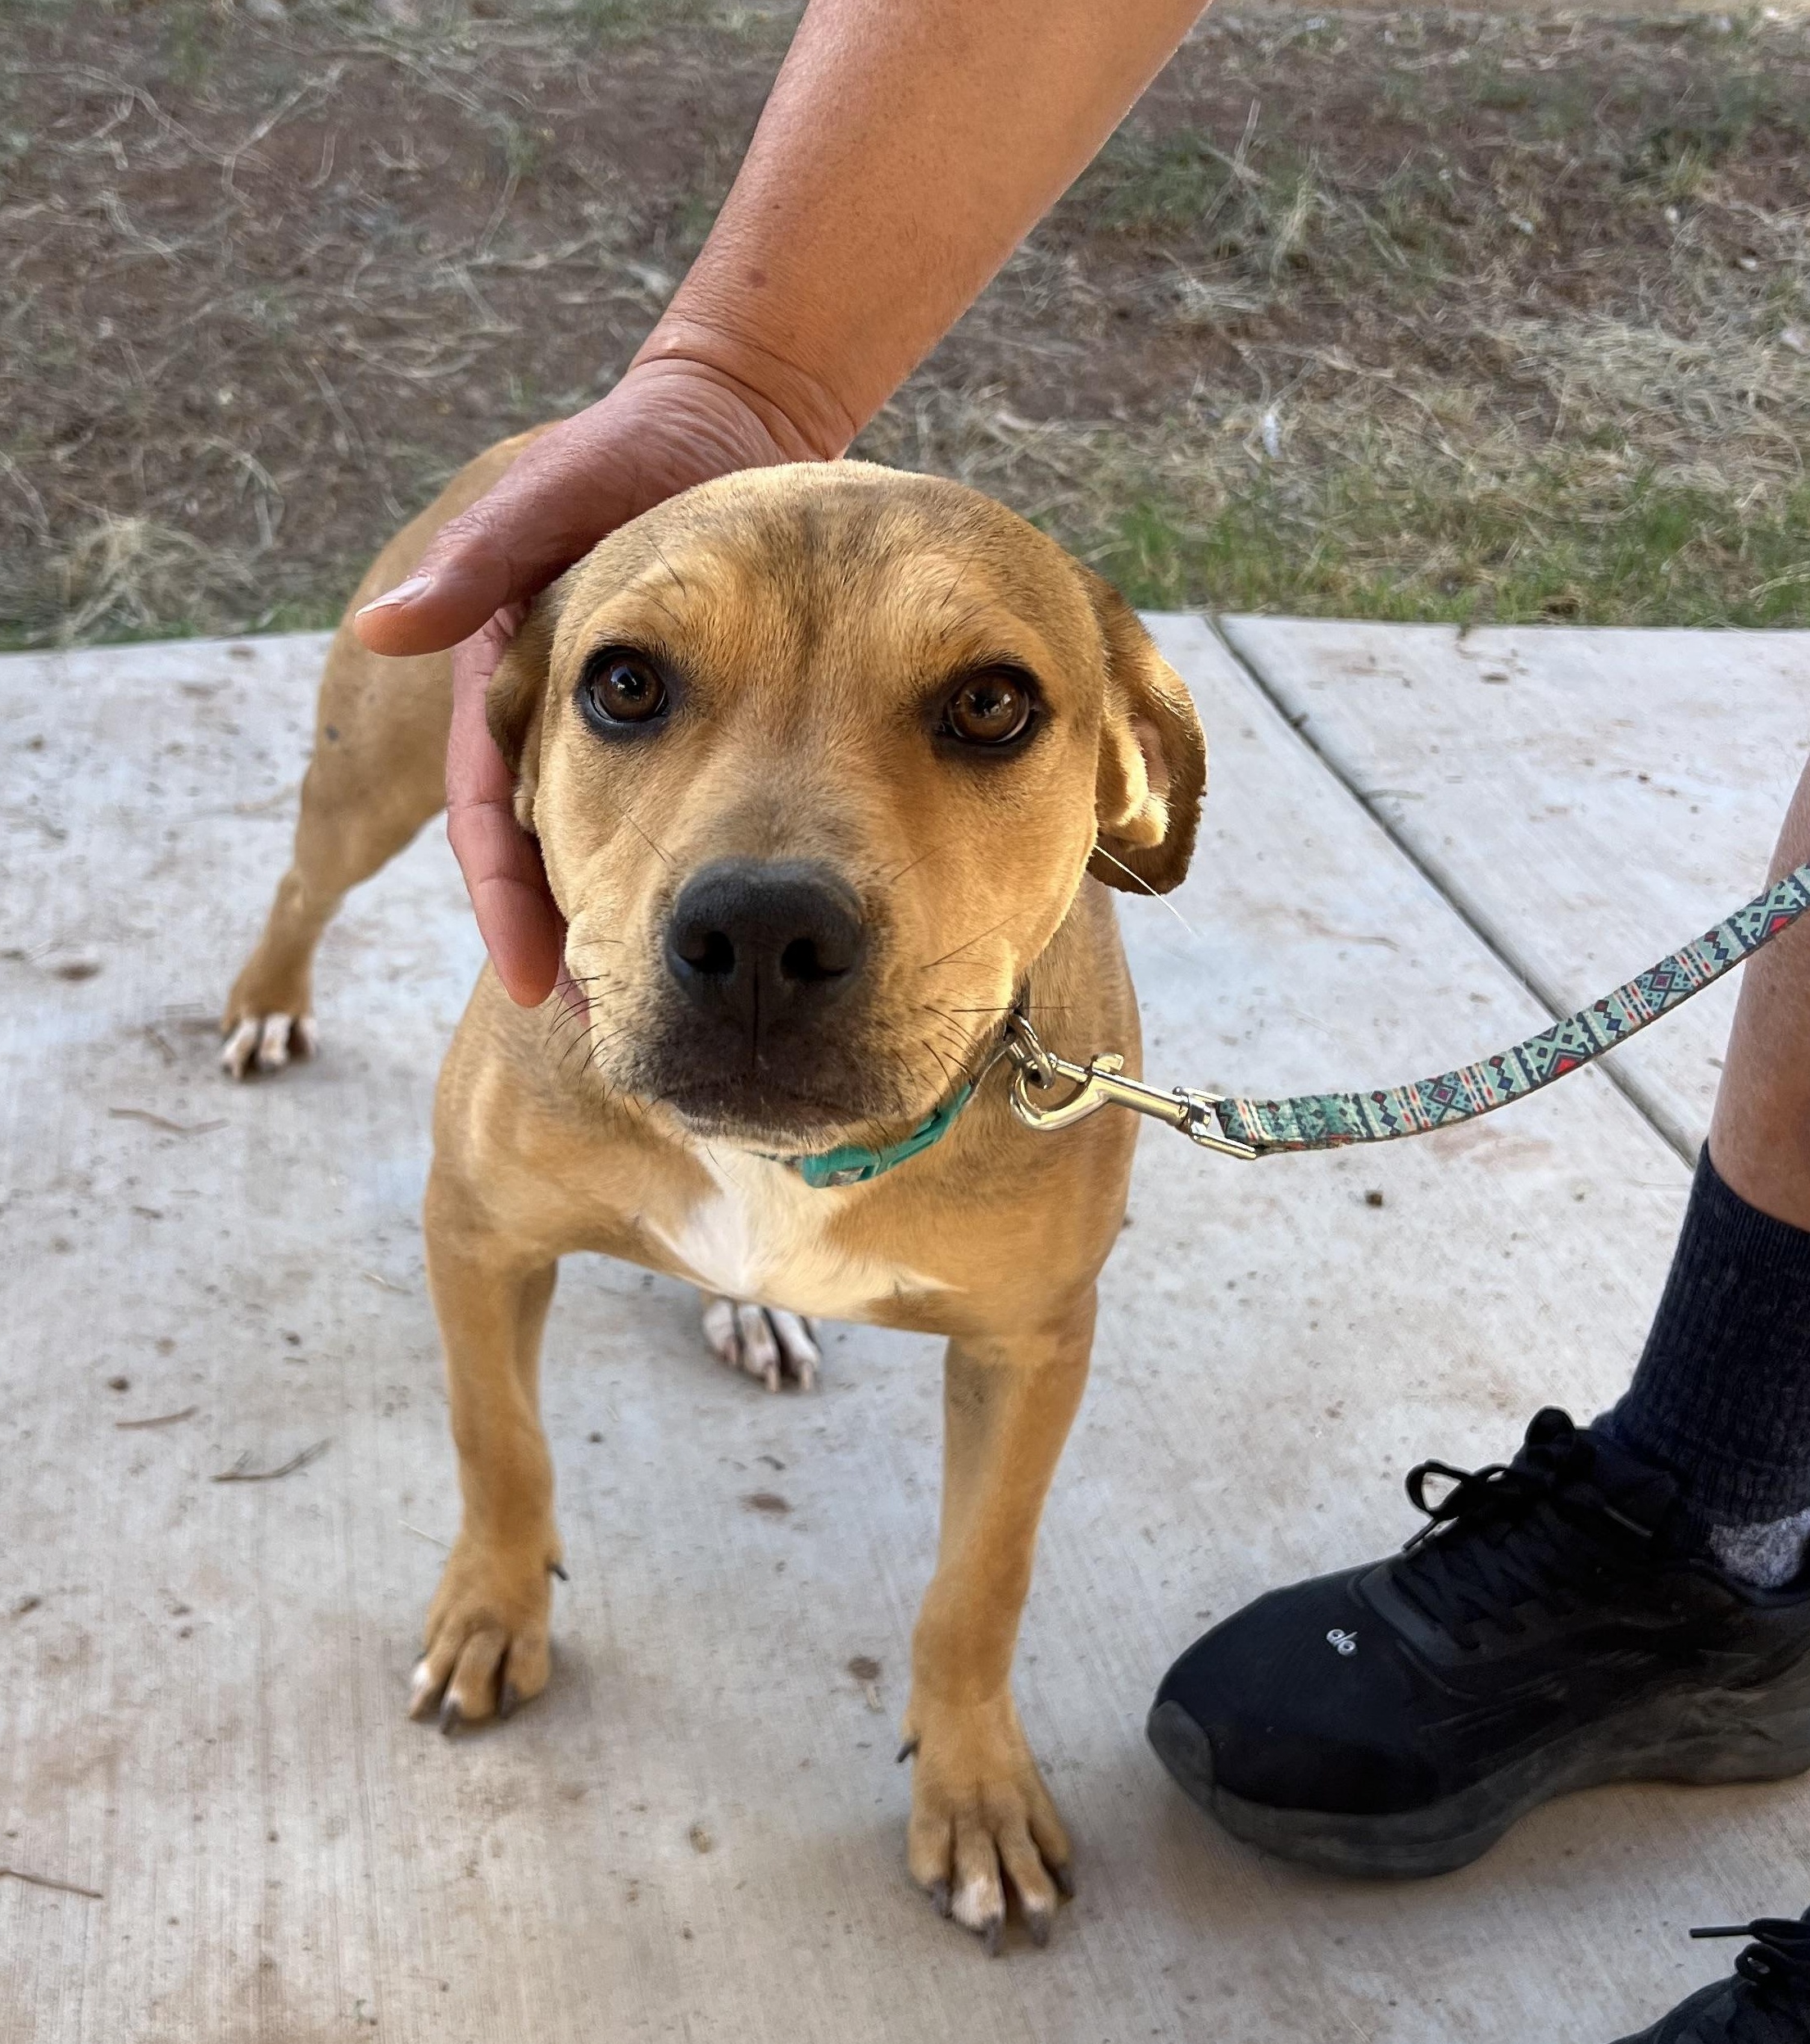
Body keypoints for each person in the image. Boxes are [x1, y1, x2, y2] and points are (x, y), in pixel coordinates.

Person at [352, 3, 1810, 2034]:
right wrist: (501, 1541)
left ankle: (961, 1692)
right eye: (633, 691)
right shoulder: (543, 1055)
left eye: (979, 714)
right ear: (516, 735)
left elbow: (1030, 1340)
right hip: (612, 1073)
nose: (764, 887)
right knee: (356, 925)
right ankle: (481, 1477)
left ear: (1132, 789)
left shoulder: (1049, 1089)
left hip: (960, 1159)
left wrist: (963, 1685)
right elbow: (474, 1225)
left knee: (1005, 1321)